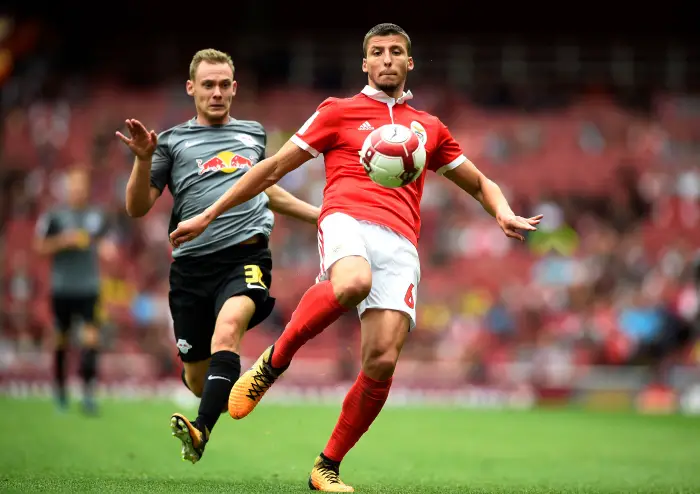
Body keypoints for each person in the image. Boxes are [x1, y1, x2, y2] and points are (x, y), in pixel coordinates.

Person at [169, 27, 542, 491]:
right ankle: (272, 363)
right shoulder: (337, 112)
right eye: (377, 53)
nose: (387, 60)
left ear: (410, 63)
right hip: (346, 218)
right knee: (351, 282)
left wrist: (503, 213)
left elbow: (481, 182)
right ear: (364, 64)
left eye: (396, 53)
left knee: (382, 361)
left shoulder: (430, 127)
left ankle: (326, 466)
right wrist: (207, 214)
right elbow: (272, 168)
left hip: (402, 242)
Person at [116, 49, 319, 464]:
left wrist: (320, 215)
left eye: (225, 84)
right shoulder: (171, 142)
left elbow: (264, 187)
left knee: (228, 330)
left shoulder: (253, 133)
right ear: (191, 88)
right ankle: (218, 392)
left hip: (246, 256)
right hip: (191, 268)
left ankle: (200, 430)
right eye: (208, 84)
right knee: (197, 379)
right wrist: (142, 160)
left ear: (235, 88)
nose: (217, 92)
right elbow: (137, 207)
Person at [34, 167, 113, 415]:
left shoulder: (97, 215)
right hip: (62, 288)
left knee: (91, 339)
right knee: (61, 340)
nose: (78, 191)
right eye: (74, 186)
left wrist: (105, 248)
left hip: (89, 287)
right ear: (67, 188)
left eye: (82, 186)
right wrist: (63, 241)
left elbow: (103, 241)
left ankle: (88, 394)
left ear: (87, 189)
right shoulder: (54, 217)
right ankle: (60, 395)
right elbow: (38, 247)